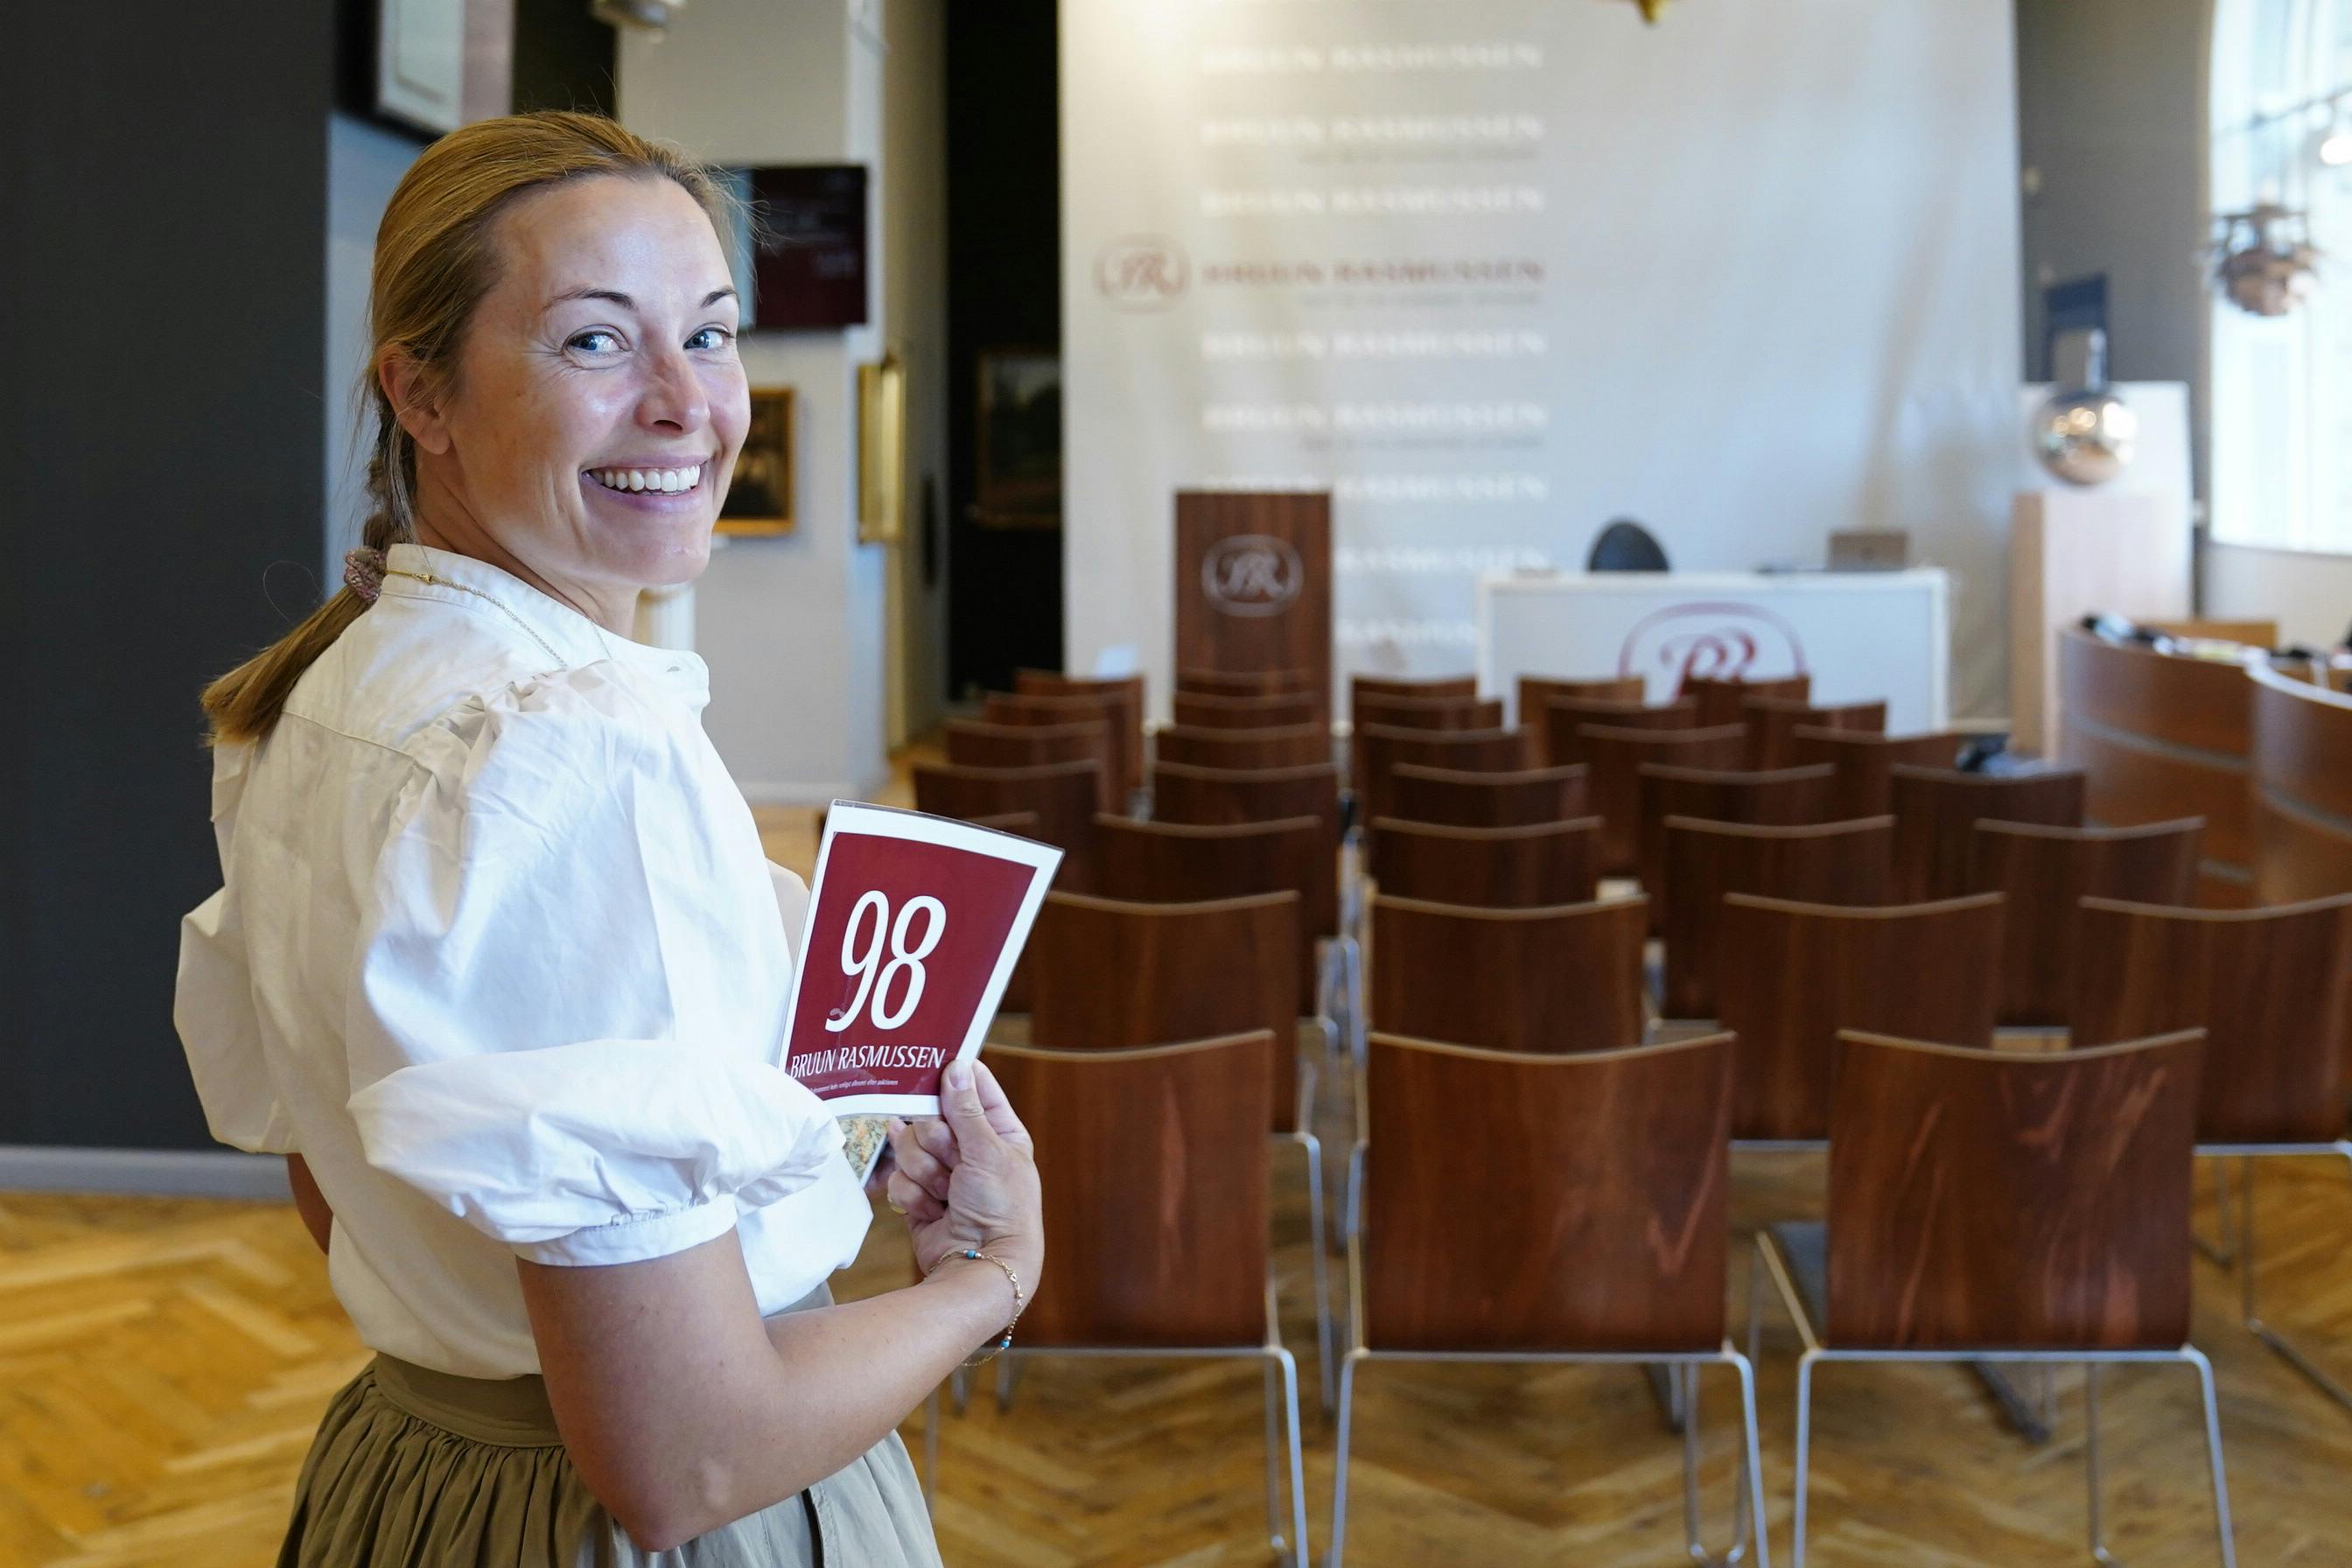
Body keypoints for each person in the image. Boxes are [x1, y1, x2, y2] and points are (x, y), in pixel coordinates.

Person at [172, 110, 1040, 1566]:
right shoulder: (567, 753)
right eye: (594, 343)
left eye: (708, 334)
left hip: (422, 1474)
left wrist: (788, 1174)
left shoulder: (319, 698)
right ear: (422, 395)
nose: (687, 404)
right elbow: (685, 1459)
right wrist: (989, 1278)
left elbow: (350, 1176)